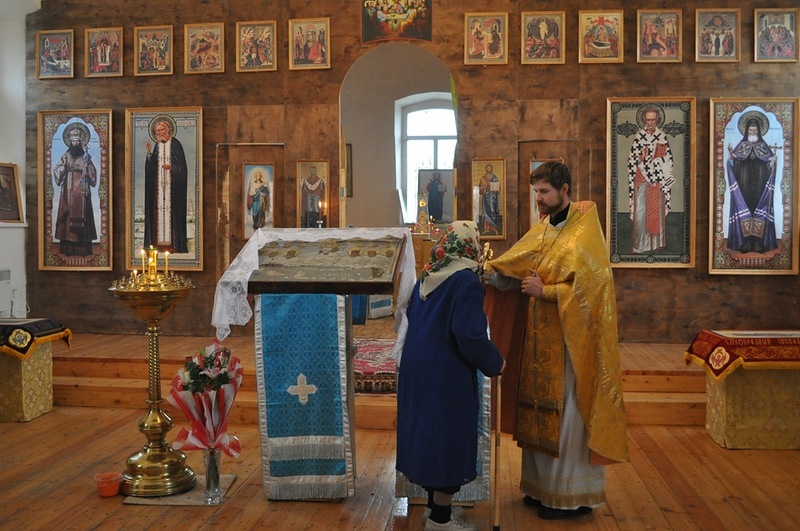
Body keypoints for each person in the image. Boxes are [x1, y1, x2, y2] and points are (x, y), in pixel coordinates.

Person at [482, 161, 628, 521]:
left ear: (565, 190)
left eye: (545, 192)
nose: (539, 200)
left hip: (569, 344)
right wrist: (483, 270)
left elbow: (592, 292)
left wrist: (545, 291)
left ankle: (570, 497)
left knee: (568, 415)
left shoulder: (584, 233)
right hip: (538, 338)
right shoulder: (545, 229)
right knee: (537, 410)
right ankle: (540, 488)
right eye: (536, 192)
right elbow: (515, 264)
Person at [396, 220, 505, 531]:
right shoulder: (466, 282)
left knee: (431, 439)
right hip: (446, 374)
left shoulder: (427, 277)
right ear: (468, 246)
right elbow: (469, 335)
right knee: (447, 441)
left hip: (418, 370)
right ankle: (441, 521)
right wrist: (495, 362)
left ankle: (435, 511)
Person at [725, 114, 778, 254]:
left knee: (759, 212)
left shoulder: (763, 147)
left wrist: (772, 163)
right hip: (744, 188)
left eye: (755, 131)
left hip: (760, 188)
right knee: (746, 212)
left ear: (759, 132)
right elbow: (733, 164)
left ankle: (759, 244)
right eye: (750, 131)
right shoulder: (741, 147)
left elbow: (769, 165)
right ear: (746, 131)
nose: (752, 133)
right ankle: (745, 243)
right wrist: (731, 157)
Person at [626, 106, 675, 253]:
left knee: (657, 211)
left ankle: (655, 243)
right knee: (640, 212)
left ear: (657, 119)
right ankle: (639, 245)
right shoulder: (639, 136)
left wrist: (656, 160)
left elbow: (668, 159)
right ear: (644, 120)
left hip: (657, 179)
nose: (651, 122)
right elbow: (631, 160)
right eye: (648, 120)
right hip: (642, 178)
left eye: (653, 119)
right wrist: (641, 157)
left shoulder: (661, 136)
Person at [52, 123, 98, 256]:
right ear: (70, 142)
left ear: (81, 141)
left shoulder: (86, 157)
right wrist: (64, 169)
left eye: (78, 140)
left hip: (83, 191)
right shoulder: (66, 156)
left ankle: (83, 249)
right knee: (67, 217)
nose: (76, 142)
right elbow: (57, 169)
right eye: (73, 140)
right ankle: (68, 248)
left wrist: (87, 169)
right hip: (69, 190)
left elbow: (93, 172)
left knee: (84, 216)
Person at [144, 118, 189, 253]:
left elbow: (182, 168)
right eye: (157, 131)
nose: (160, 133)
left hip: (173, 189)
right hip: (159, 190)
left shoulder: (176, 144)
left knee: (172, 215)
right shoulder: (157, 146)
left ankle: (174, 245)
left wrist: (172, 167)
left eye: (162, 130)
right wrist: (149, 154)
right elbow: (152, 167)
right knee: (158, 214)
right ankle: (157, 245)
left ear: (169, 129)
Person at [477, 163, 500, 235]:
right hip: (485, 197)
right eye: (488, 168)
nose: (489, 169)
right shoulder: (483, 178)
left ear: (492, 169)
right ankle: (486, 228)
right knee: (486, 212)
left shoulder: (494, 177)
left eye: (490, 168)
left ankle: (494, 228)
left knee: (492, 211)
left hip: (492, 198)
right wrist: (484, 186)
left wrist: (492, 186)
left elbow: (497, 188)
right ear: (486, 169)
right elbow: (480, 189)